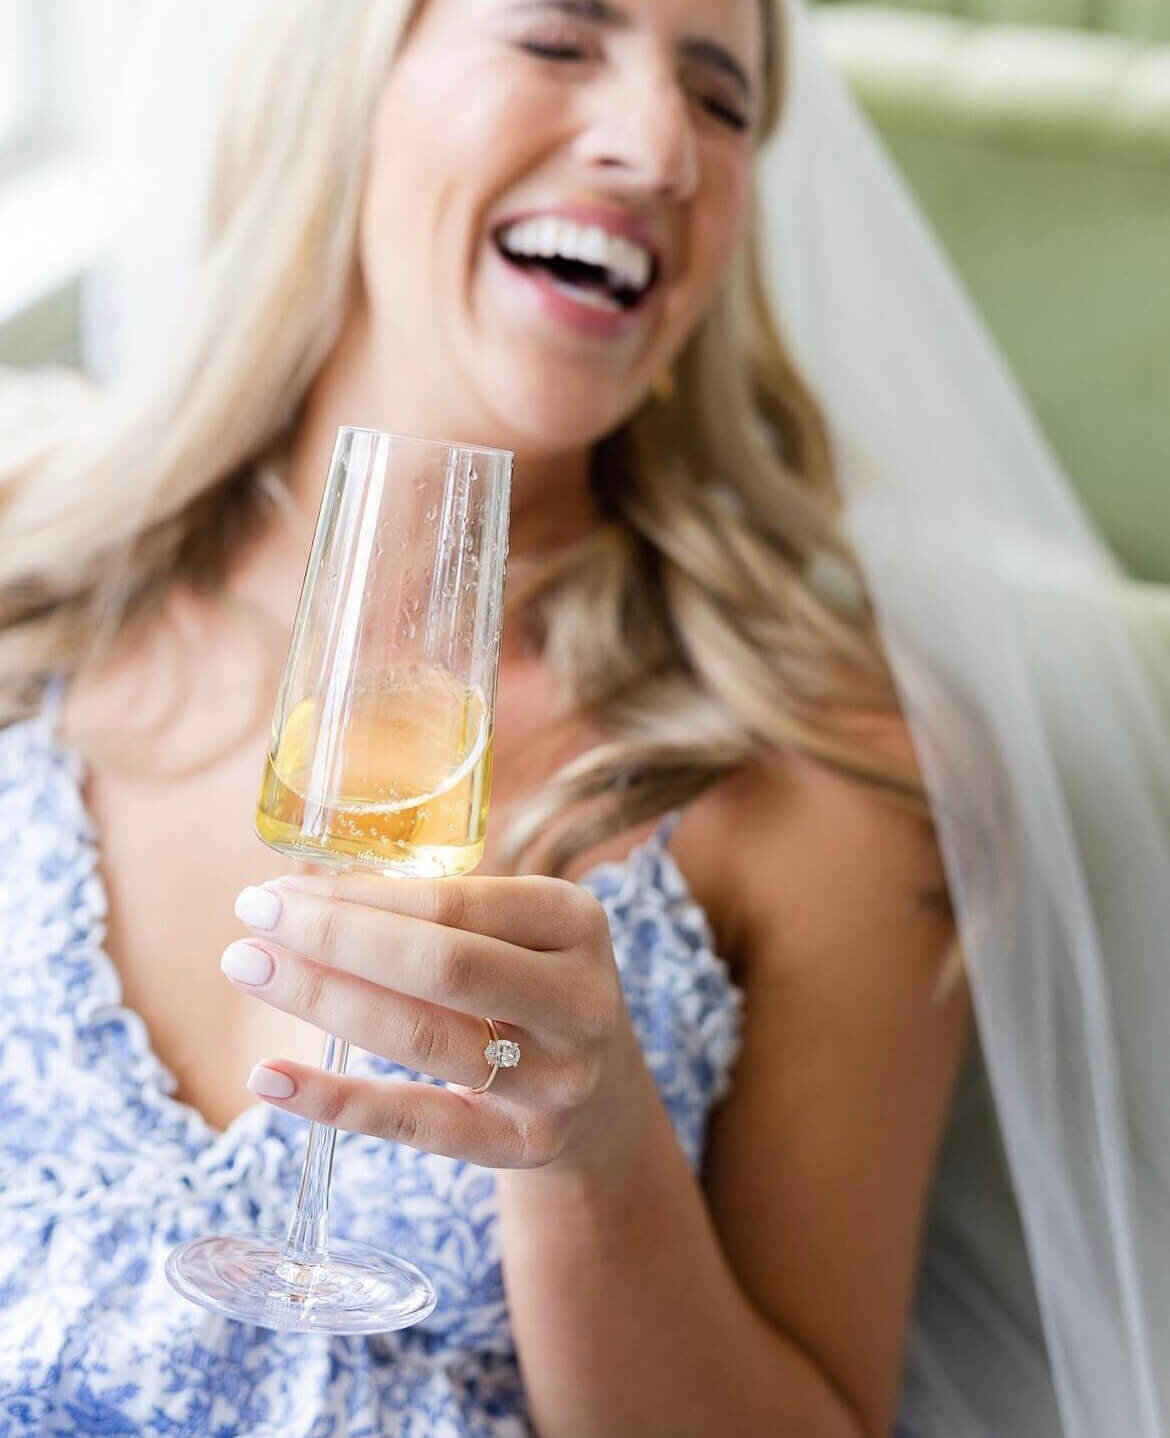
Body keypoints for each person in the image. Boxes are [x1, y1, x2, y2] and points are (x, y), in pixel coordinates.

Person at [3, 1, 1168, 1436]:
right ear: (345, 92)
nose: (661, 145)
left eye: (723, 99)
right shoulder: (28, 579)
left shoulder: (827, 775)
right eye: (558, 40)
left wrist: (592, 1147)